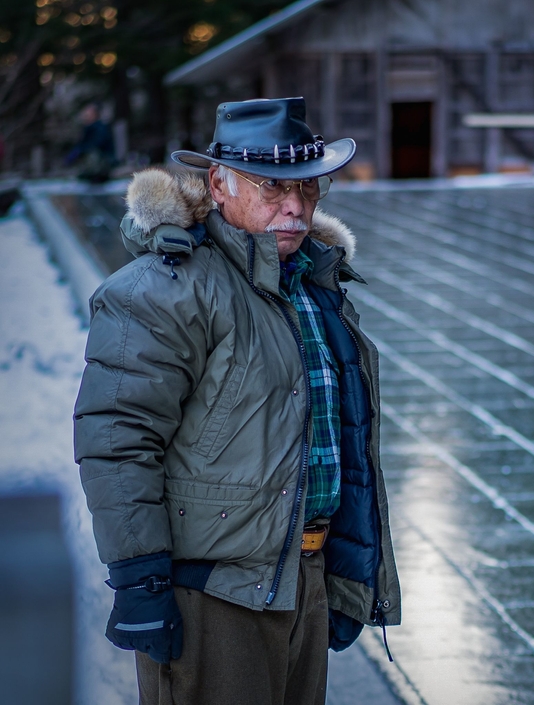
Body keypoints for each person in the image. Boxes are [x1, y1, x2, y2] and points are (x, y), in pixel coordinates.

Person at [74, 97, 400, 705]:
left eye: (308, 189)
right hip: (213, 592)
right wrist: (140, 578)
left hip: (304, 574)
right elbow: (116, 439)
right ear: (219, 185)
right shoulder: (165, 289)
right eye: (273, 187)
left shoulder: (314, 283)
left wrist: (346, 570)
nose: (295, 207)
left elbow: (340, 435)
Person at [65, 103, 115, 183]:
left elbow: (96, 145)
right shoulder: (88, 129)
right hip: (95, 165)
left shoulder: (100, 129)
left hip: (102, 164)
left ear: (94, 115)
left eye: (88, 114)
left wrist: (80, 150)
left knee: (92, 155)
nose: (85, 116)